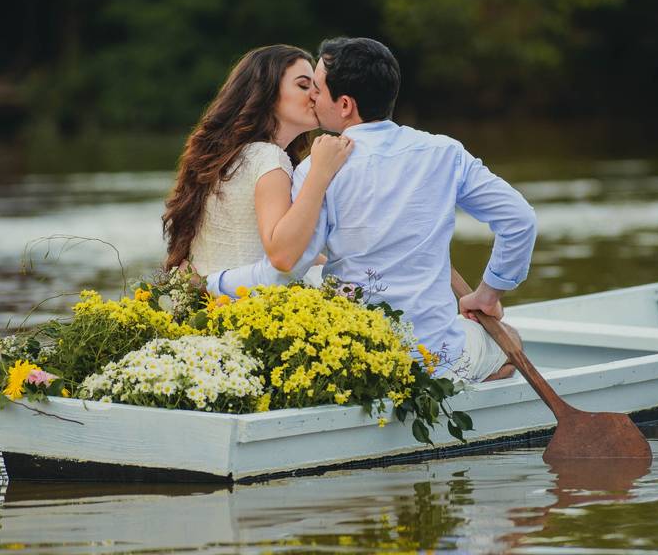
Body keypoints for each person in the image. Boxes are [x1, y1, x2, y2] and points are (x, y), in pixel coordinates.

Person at [204, 37, 537, 383]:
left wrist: (214, 281)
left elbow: (283, 270)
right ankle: (478, 374)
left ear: (345, 105)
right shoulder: (444, 152)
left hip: (360, 359)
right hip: (435, 358)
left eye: (316, 88)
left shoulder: (316, 171)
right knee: (510, 341)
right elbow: (520, 220)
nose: (312, 97)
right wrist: (488, 293)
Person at [163, 44, 353, 279]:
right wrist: (321, 172)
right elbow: (282, 254)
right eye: (304, 85)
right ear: (267, 93)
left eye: (316, 87)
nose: (315, 95)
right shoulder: (268, 158)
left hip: (209, 304)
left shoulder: (236, 156)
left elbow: (262, 242)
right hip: (242, 304)